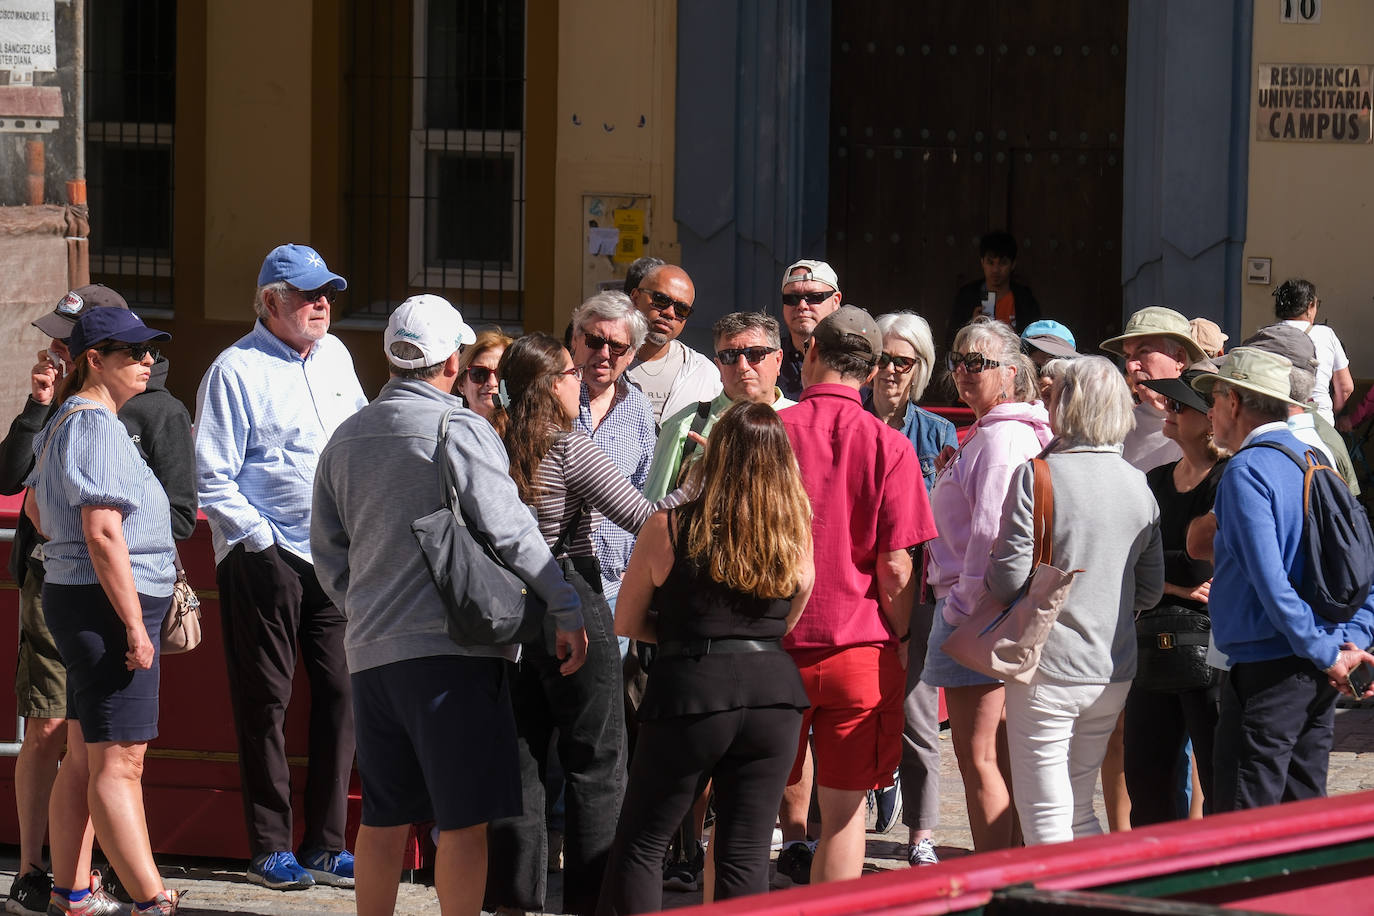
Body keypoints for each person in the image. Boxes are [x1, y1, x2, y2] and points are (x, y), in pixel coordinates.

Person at [310, 297, 587, 916]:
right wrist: (563, 606)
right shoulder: (457, 428)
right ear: (453, 361)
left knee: (384, 819)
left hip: (373, 656)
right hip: (452, 655)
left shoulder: (346, 436)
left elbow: (327, 553)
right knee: (463, 821)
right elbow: (512, 528)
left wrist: (365, 609)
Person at [2, 286, 197, 916]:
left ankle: (73, 891)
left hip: (86, 599)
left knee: (87, 756)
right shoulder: (93, 424)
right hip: (108, 606)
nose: (147, 362)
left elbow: (36, 505)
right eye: (131, 352)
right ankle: (150, 899)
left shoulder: (71, 419)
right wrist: (135, 627)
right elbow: (102, 530)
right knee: (121, 763)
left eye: (148, 351)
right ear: (94, 359)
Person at [485, 334, 688, 916]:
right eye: (572, 373)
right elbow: (644, 516)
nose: (583, 383)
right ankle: (589, 902)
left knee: (520, 759)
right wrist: (699, 487)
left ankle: (512, 902)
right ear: (551, 385)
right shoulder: (570, 446)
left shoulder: (492, 443)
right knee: (597, 764)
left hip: (509, 608)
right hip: (571, 591)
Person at [194, 244, 366, 890]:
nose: (323, 303)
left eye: (328, 292)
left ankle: (324, 842)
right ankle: (269, 846)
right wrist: (260, 542)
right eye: (308, 293)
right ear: (271, 302)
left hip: (332, 553)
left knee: (342, 692)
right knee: (266, 701)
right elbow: (211, 472)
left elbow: (359, 432)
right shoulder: (233, 370)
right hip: (264, 557)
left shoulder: (339, 357)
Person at [599, 401, 815, 913]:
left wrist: (683, 632)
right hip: (773, 695)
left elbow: (627, 623)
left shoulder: (669, 528)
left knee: (644, 842)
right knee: (744, 850)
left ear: (713, 456)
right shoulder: (793, 531)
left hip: (692, 685)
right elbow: (789, 617)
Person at [778, 306, 936, 885]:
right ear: (870, 372)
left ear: (809, 354)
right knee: (845, 820)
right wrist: (900, 637)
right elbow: (897, 568)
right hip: (859, 650)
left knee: (744, 811)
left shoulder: (769, 431)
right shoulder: (889, 446)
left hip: (771, 648)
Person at [986, 356, 1164, 845]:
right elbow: (1148, 590)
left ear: (1068, 404)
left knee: (1045, 814)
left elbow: (1005, 581)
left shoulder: (1038, 475)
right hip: (1111, 668)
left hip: (1047, 666)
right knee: (1076, 806)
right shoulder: (1139, 485)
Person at [1193, 347, 1374, 811]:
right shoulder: (1318, 458)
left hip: (1270, 671)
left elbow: (1268, 582)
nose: (1209, 413)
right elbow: (1360, 564)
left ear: (1234, 401)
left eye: (1212, 400)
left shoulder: (1246, 470)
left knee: (1243, 821)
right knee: (1304, 812)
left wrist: (1328, 651)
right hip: (1319, 668)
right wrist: (1350, 641)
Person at [924, 317, 1051, 852]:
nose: (964, 371)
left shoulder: (1001, 438)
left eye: (979, 362)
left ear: (1013, 374)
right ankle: (1010, 870)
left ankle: (991, 877)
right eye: (959, 362)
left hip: (975, 609)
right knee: (999, 755)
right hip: (988, 606)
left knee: (979, 758)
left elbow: (990, 533)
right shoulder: (997, 433)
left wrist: (957, 609)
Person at [865, 311, 956, 864]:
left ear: (919, 369)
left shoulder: (937, 433)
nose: (891, 370)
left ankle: (921, 833)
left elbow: (942, 521)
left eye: (904, 361)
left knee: (919, 713)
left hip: (917, 585)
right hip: (857, 580)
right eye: (883, 359)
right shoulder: (850, 419)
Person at [1122, 368, 1224, 826]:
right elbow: (1129, 556)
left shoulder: (1227, 479)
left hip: (1212, 649)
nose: (1167, 409)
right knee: (1148, 777)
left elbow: (1206, 561)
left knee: (1219, 773)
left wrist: (1166, 566)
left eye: (1179, 405)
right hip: (1153, 641)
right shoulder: (1156, 479)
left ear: (1208, 420)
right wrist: (1176, 584)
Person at [567, 292, 655, 629]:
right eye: (594, 340)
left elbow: (643, 490)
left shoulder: (640, 410)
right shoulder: (549, 397)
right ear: (576, 339)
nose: (604, 354)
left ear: (631, 355)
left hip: (613, 586)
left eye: (617, 347)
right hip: (549, 578)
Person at [644, 311, 794, 501]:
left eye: (755, 354)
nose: (742, 366)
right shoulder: (685, 424)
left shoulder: (807, 422)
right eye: (730, 356)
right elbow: (654, 511)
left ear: (778, 359)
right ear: (718, 366)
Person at [1100, 306, 1210, 475]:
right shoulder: (1118, 426)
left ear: (1179, 358)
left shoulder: (1210, 422)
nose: (1130, 365)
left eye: (1143, 351)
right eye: (1127, 356)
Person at [624, 264, 722, 424]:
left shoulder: (703, 373)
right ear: (635, 297)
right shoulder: (603, 361)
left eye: (681, 310)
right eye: (661, 300)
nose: (670, 313)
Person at [1274, 279, 1352, 426]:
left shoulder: (1267, 335)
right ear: (1310, 306)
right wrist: (1328, 412)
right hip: (1318, 422)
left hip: (1277, 422)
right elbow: (1345, 387)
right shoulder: (1326, 335)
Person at [949, 231, 1041, 345]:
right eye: (990, 262)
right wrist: (971, 326)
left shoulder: (1024, 299)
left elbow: (1036, 341)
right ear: (982, 262)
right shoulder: (967, 296)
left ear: (1013, 264)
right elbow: (951, 341)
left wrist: (1016, 337)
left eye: (1003, 263)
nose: (995, 269)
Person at [777, 260, 842, 400]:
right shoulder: (765, 359)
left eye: (814, 297)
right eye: (792, 298)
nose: (802, 305)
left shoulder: (856, 360)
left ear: (835, 301)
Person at [457, 329, 512, 433]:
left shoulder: (531, 435)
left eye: (501, 373)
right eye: (479, 373)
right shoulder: (447, 433)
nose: (492, 383)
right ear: (461, 384)